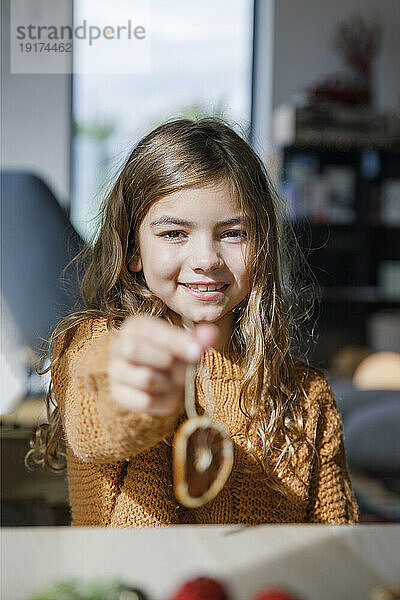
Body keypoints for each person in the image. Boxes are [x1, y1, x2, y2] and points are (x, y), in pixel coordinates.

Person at [25, 117, 359, 526]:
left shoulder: (309, 397)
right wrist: (134, 384)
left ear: (264, 245)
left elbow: (336, 546)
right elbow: (96, 408)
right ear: (133, 250)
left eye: (233, 233)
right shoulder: (92, 345)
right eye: (173, 234)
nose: (206, 259)